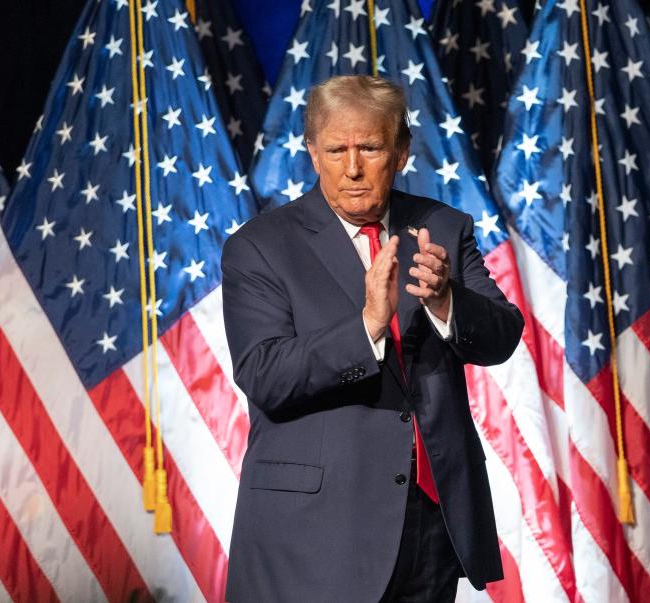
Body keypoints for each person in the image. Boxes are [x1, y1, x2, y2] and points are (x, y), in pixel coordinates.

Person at [221, 75, 523, 602]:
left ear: (402, 152)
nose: (353, 168)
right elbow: (264, 375)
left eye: (370, 148)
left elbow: (502, 336)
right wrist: (367, 328)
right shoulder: (261, 247)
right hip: (315, 534)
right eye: (337, 150)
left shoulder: (442, 228)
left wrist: (446, 299)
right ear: (313, 153)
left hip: (429, 524)